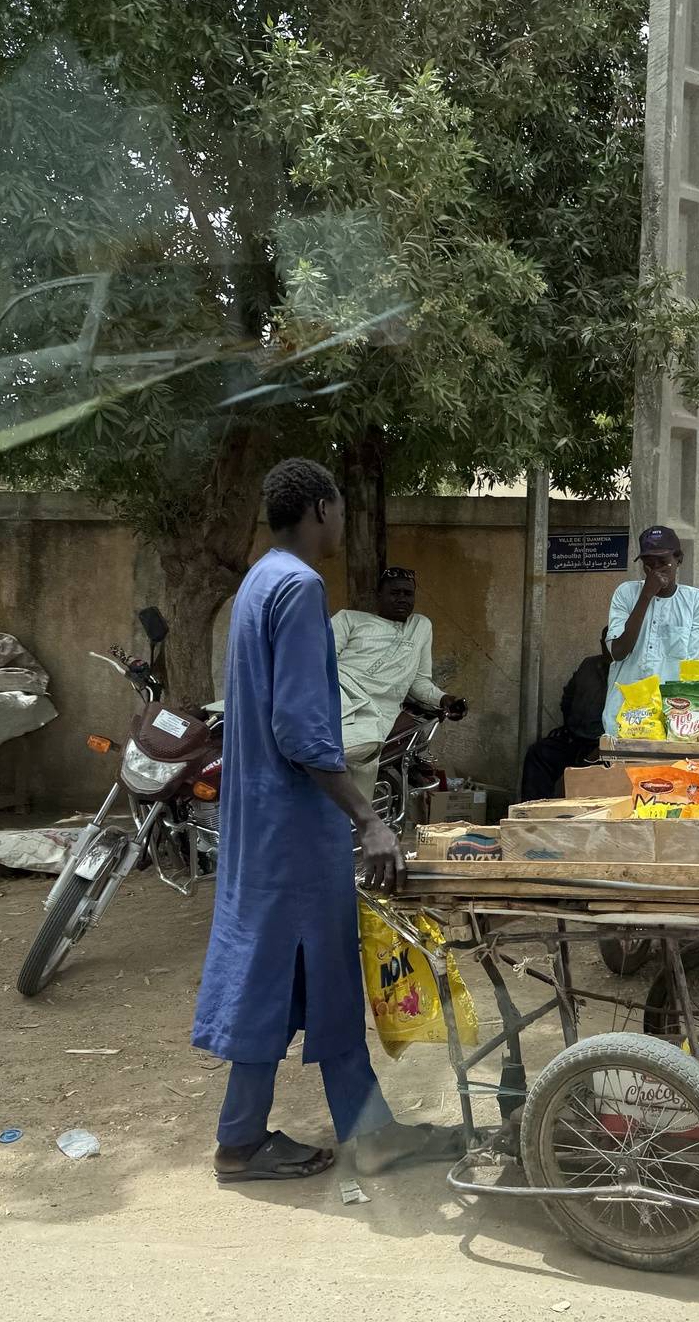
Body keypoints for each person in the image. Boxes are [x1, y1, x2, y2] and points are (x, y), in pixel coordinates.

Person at [193, 458, 458, 1182]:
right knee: (274, 973)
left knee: (314, 971)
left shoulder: (257, 582)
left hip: (261, 821)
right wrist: (370, 822)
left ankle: (367, 1132)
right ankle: (240, 1142)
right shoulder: (301, 588)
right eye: (338, 508)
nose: (342, 523)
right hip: (292, 824)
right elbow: (303, 732)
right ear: (317, 510)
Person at [331, 567, 467, 802]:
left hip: (376, 710)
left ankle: (349, 827)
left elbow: (418, 680)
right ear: (379, 596)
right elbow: (320, 662)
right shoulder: (349, 619)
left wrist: (444, 699)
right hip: (340, 690)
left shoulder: (420, 627)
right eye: (395, 593)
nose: (402, 599)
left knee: (364, 747)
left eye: (408, 593)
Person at [603, 525, 699, 739]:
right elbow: (618, 651)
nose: (656, 570)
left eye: (663, 563)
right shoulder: (626, 593)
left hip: (671, 721)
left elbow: (689, 665)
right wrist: (646, 595)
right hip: (623, 716)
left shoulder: (697, 601)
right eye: (649, 565)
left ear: (679, 559)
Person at [519, 633, 612, 802]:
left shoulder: (629, 671)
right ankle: (531, 813)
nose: (610, 646)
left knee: (584, 774)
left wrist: (602, 746)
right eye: (607, 641)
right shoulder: (589, 665)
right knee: (539, 753)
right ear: (601, 643)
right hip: (574, 739)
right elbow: (568, 698)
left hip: (603, 747)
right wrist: (569, 726)